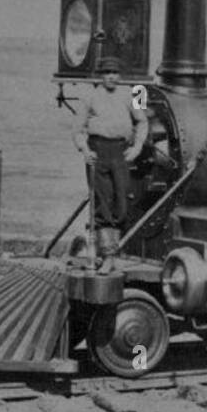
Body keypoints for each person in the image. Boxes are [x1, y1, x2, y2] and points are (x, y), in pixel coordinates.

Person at [72, 56, 148, 267]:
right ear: (101, 76)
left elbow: (142, 122)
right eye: (107, 73)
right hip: (97, 151)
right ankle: (107, 256)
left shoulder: (128, 95)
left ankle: (114, 253)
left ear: (119, 76)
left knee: (122, 200)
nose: (111, 77)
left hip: (120, 152)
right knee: (102, 203)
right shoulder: (90, 97)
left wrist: (137, 146)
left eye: (114, 73)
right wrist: (85, 149)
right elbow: (77, 130)